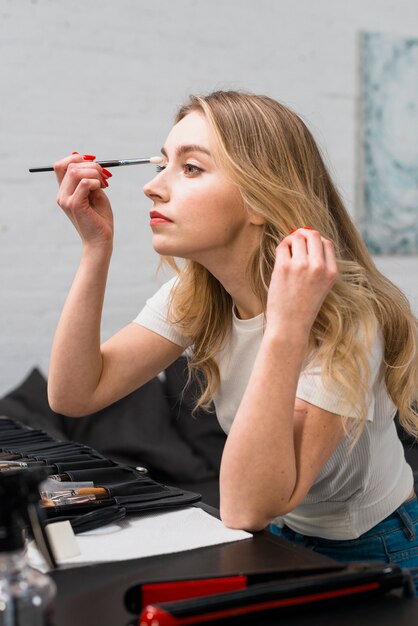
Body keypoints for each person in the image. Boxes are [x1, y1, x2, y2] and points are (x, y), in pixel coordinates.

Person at [48, 90, 418, 588]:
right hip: (283, 541)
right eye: (162, 164)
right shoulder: (198, 295)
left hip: (382, 551)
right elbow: (74, 394)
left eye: (191, 168)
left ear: (260, 200)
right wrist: (96, 247)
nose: (152, 188)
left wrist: (285, 326)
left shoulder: (345, 320)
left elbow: (245, 508)